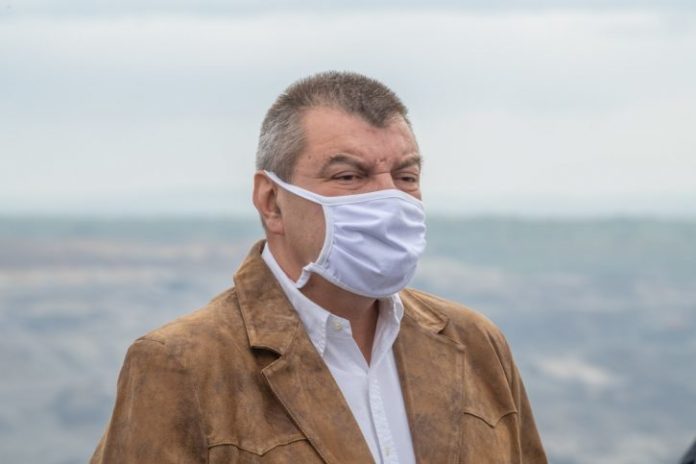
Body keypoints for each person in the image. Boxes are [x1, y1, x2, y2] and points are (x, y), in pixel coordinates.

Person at [91, 71, 548, 463]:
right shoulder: (184, 364)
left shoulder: (474, 342)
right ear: (272, 202)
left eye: (406, 177)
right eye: (349, 176)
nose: (388, 199)